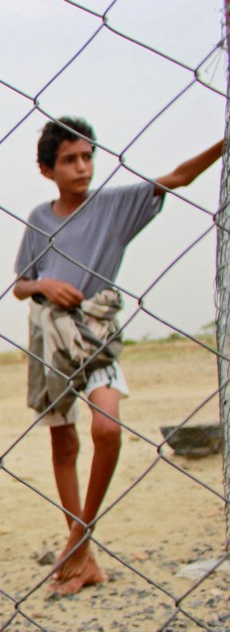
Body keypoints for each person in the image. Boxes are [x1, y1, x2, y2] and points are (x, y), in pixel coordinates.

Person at [12, 116, 222, 596]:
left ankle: (79, 541)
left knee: (107, 429)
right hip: (49, 337)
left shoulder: (114, 207)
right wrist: (44, 283)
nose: (82, 167)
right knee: (63, 445)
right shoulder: (39, 219)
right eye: (70, 160)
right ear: (47, 170)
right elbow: (21, 283)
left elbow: (179, 177)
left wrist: (223, 141)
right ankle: (83, 556)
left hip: (96, 333)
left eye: (87, 157)